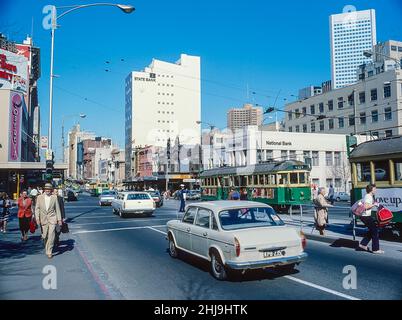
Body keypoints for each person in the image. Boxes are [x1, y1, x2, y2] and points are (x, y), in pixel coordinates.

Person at [35, 183, 62, 259]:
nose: (47, 190)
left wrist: (59, 219)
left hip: (52, 218)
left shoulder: (54, 197)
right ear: (44, 190)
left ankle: (49, 251)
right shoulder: (39, 197)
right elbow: (37, 209)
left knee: (51, 235)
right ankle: (47, 247)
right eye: (46, 189)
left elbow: (57, 209)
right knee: (45, 236)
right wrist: (37, 218)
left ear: (51, 190)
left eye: (49, 189)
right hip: (43, 219)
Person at [359, 184, 383, 254]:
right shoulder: (368, 196)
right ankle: (375, 249)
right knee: (375, 231)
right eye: (375, 189)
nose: (376, 190)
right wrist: (374, 204)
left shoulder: (369, 196)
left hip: (365, 216)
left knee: (372, 230)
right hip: (365, 216)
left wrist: (374, 203)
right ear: (371, 190)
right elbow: (366, 206)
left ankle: (363, 244)